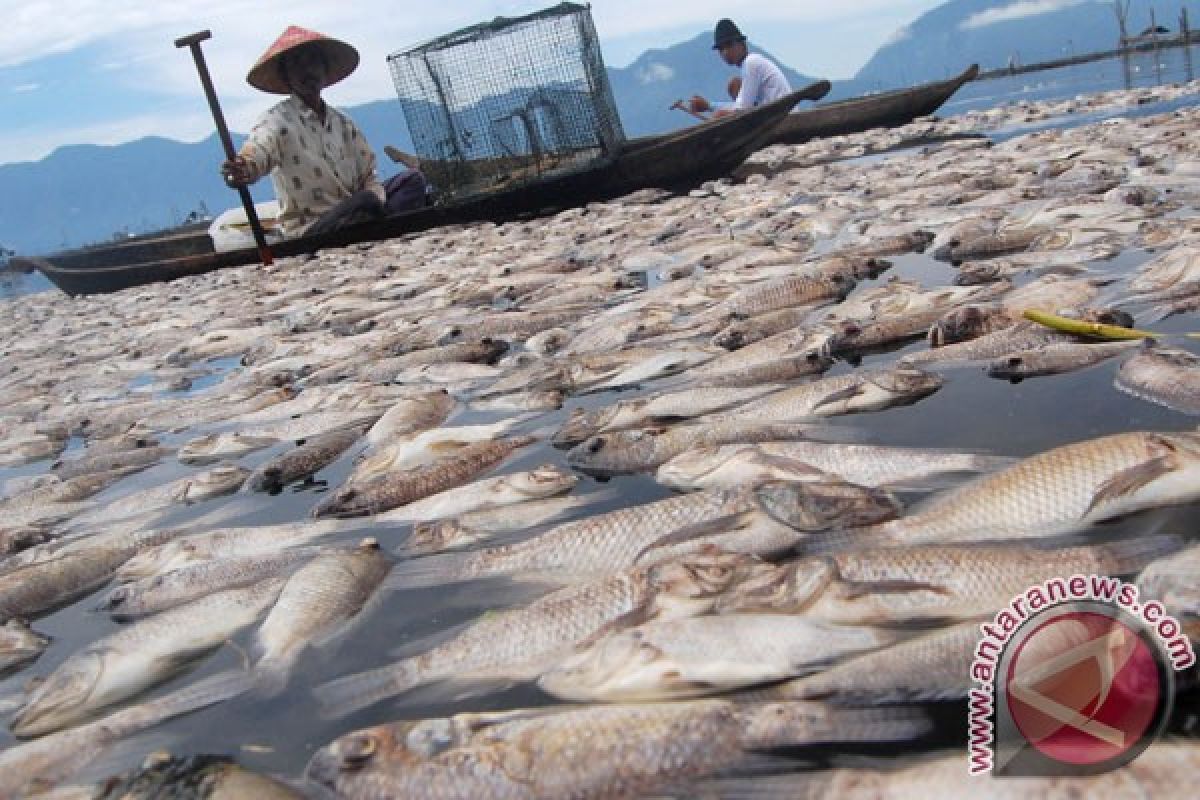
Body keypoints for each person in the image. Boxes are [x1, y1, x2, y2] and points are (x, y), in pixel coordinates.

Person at [220, 26, 427, 239]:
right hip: (314, 227)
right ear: (286, 76)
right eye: (297, 64)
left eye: (312, 62)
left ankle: (379, 224)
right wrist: (242, 168)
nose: (307, 71)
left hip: (357, 212)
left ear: (324, 69)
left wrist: (377, 200)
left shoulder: (343, 123)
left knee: (412, 180)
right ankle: (381, 225)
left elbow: (368, 175)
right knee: (365, 202)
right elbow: (259, 151)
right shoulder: (277, 121)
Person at [688, 19, 792, 119]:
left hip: (783, 116)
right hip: (773, 113)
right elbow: (741, 106)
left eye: (729, 45)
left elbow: (742, 109)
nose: (725, 52)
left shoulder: (751, 62)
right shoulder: (749, 64)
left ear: (742, 44)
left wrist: (711, 109)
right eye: (721, 49)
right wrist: (709, 106)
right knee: (734, 84)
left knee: (719, 116)